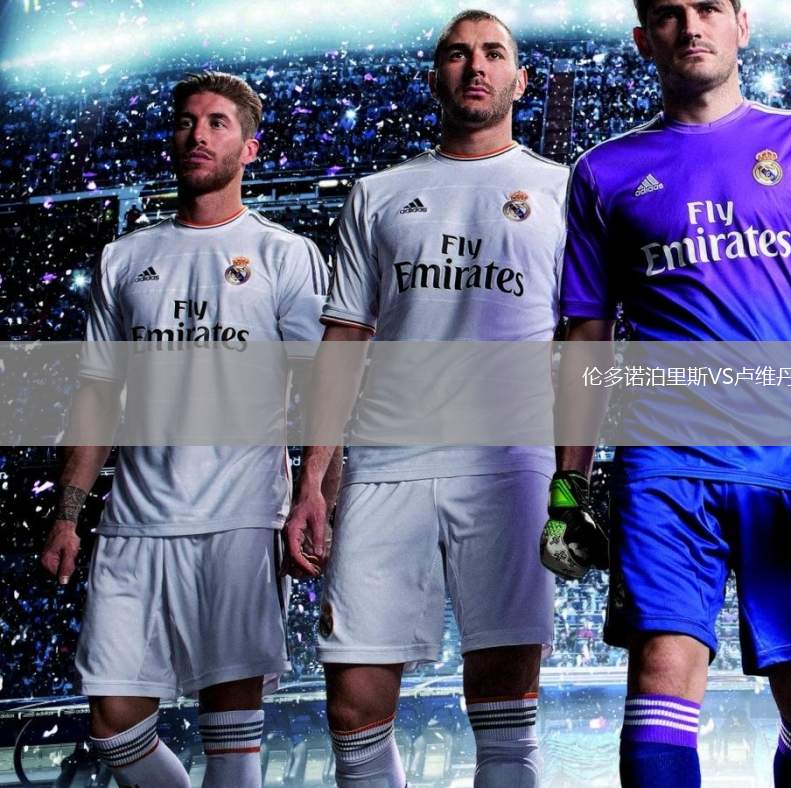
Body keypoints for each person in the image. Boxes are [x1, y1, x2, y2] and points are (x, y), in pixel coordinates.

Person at [539, 0, 791, 785]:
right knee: (659, 681)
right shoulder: (603, 172)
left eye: (709, 7)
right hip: (662, 463)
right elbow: (586, 338)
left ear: (742, 25)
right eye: (669, 13)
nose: (691, 25)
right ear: (644, 39)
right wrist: (569, 484)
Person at [281, 10, 567, 788]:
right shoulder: (379, 193)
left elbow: (586, 340)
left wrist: (574, 475)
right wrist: (312, 479)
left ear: (520, 81)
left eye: (493, 53)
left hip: (510, 466)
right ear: (435, 77)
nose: (476, 66)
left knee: (505, 708)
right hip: (385, 465)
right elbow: (344, 342)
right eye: (458, 54)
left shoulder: (564, 190)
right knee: (353, 710)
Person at [38, 70, 328, 788]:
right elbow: (97, 396)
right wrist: (68, 513)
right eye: (187, 121)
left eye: (217, 123)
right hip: (135, 522)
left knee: (229, 734)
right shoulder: (125, 258)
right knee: (113, 723)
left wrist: (316, 494)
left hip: (240, 519)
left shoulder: (283, 254)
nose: (198, 134)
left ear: (249, 148)